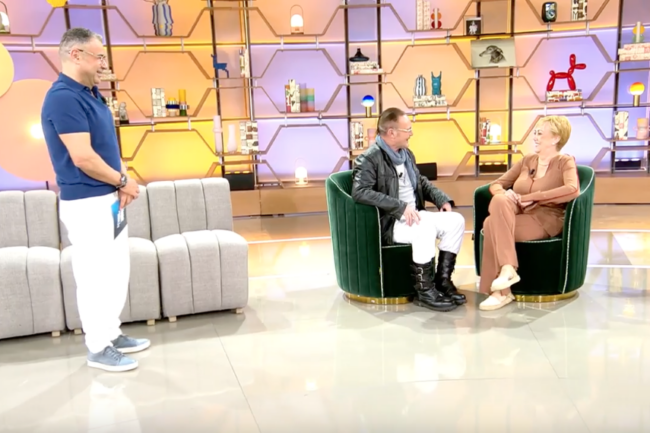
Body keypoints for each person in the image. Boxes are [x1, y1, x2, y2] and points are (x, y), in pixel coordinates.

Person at [41, 28, 150, 372]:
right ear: (75, 55)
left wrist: (122, 179)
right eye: (98, 56)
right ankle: (98, 347)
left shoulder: (91, 93)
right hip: (87, 204)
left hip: (109, 199)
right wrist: (122, 181)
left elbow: (107, 146)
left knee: (116, 270)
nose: (104, 63)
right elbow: (83, 157)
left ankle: (111, 333)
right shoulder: (62, 98)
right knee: (94, 276)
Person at [351, 107, 466, 312]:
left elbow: (420, 182)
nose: (411, 133)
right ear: (392, 132)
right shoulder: (369, 159)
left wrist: (441, 200)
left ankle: (442, 281)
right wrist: (399, 206)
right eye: (408, 129)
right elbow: (360, 192)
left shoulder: (406, 154)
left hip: (415, 214)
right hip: (391, 222)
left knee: (456, 220)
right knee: (423, 228)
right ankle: (424, 291)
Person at [478, 115, 579, 311]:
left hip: (545, 218)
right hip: (518, 214)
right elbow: (497, 184)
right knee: (499, 200)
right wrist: (505, 194)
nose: (535, 137)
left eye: (540, 133)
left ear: (556, 138)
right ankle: (508, 269)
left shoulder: (565, 162)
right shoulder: (527, 160)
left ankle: (501, 293)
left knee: (490, 224)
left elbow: (572, 189)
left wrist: (534, 197)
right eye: (535, 133)